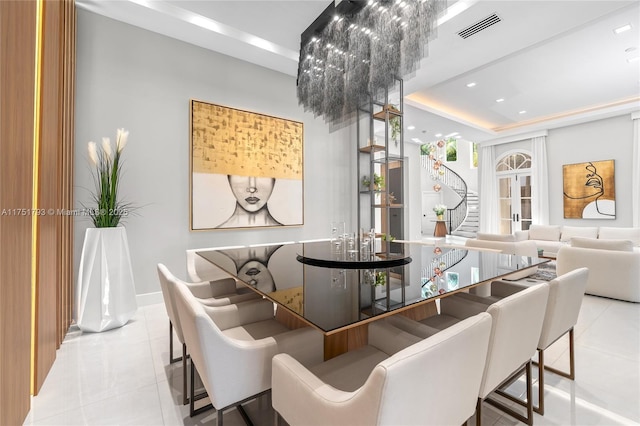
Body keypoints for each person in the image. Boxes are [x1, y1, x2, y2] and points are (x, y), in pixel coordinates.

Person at [217, 174, 282, 228]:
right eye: (241, 173)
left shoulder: (286, 233)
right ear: (228, 177)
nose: (252, 188)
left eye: (262, 173)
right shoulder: (216, 236)